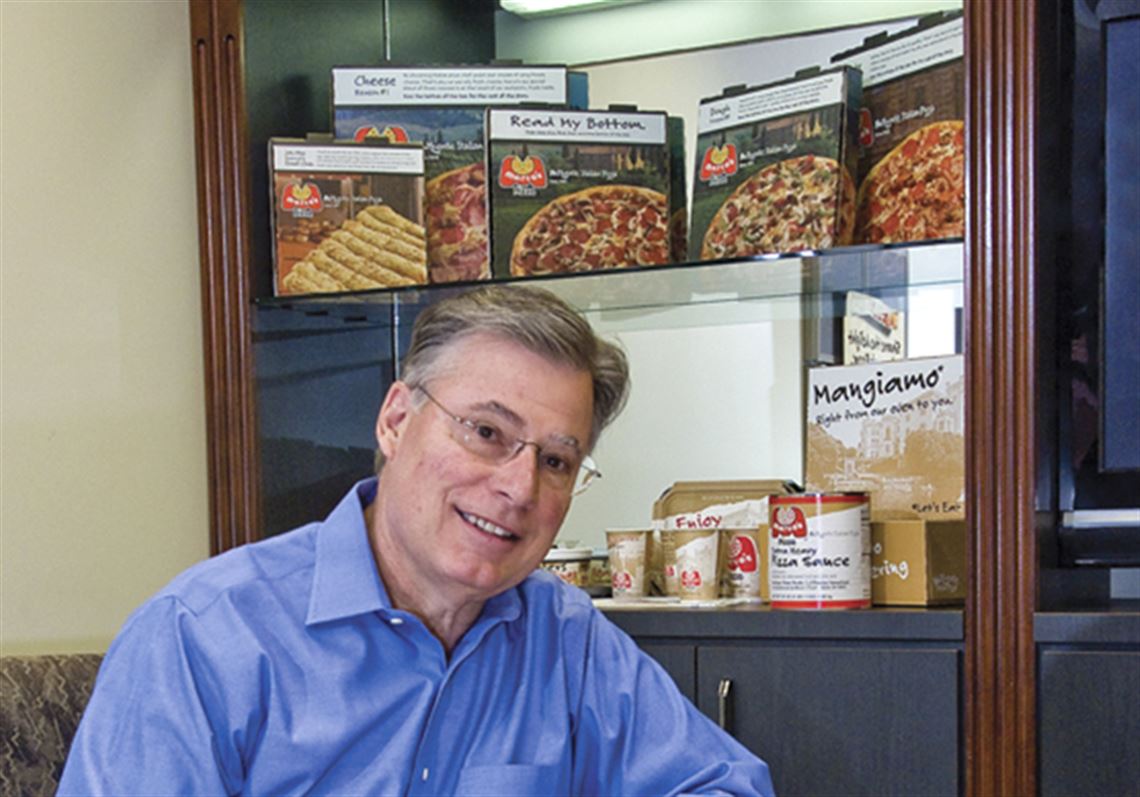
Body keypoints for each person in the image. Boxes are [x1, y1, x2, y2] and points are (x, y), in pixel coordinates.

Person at [59, 284, 775, 796]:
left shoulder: (565, 637)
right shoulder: (203, 638)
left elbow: (722, 784)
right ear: (396, 421)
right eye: (486, 431)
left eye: (557, 461)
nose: (519, 486)